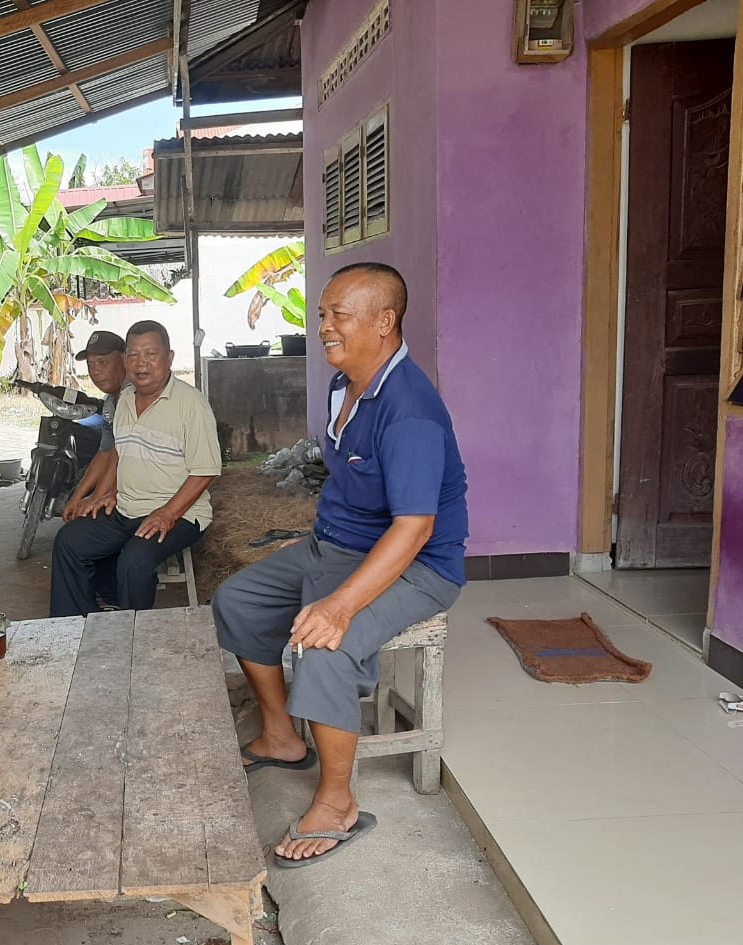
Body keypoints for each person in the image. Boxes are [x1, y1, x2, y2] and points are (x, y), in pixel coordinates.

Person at [212, 263, 468, 868]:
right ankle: (281, 736)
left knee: (327, 644)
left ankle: (337, 802)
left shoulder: (410, 412)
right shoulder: (342, 383)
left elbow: (415, 528)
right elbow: (353, 486)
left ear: (385, 322)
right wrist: (315, 544)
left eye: (338, 315)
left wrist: (340, 604)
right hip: (337, 545)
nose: (324, 326)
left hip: (418, 565)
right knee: (238, 601)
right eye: (322, 313)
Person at [50, 320, 220, 617]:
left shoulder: (190, 403)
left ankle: (132, 635)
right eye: (133, 355)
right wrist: (111, 492)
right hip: (127, 508)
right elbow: (119, 450)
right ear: (125, 359)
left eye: (150, 354)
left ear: (169, 358)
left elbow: (205, 470)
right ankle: (75, 623)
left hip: (180, 513)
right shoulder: (125, 399)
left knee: (134, 559)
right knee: (70, 541)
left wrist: (168, 513)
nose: (141, 364)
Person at [60, 329, 128, 609]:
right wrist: (77, 498)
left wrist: (98, 497)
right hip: (121, 488)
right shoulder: (111, 402)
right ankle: (103, 597)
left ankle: (105, 600)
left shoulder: (131, 397)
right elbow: (104, 453)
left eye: (103, 363)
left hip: (140, 492)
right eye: (90, 365)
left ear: (123, 360)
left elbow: (121, 455)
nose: (96, 372)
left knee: (80, 534)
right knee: (82, 516)